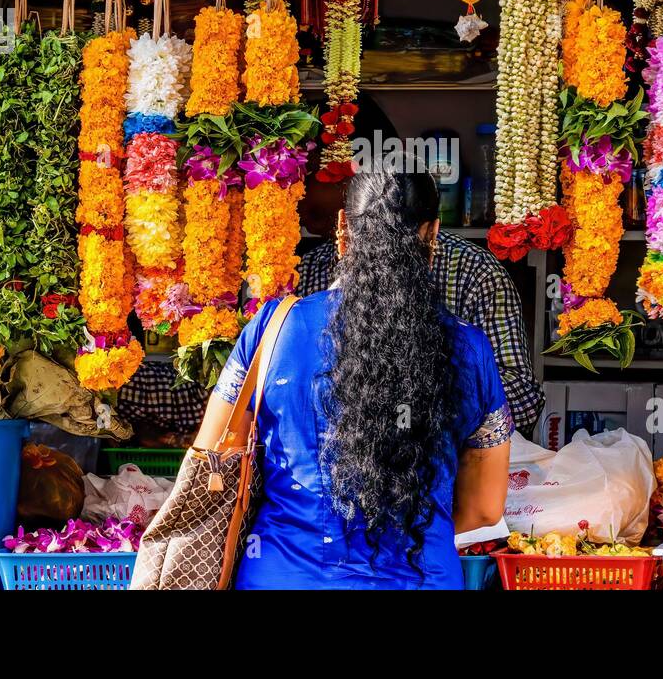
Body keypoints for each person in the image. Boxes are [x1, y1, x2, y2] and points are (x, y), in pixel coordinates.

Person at [193, 169, 512, 589]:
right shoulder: (470, 350)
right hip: (420, 577)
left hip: (284, 573)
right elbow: (484, 509)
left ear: (343, 227)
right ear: (433, 233)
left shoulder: (274, 329)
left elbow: (211, 454)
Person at [298, 98, 544, 436]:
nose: (296, 189)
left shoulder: (474, 274)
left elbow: (524, 400)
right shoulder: (305, 273)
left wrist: (420, 406)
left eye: (311, 171)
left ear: (358, 177)